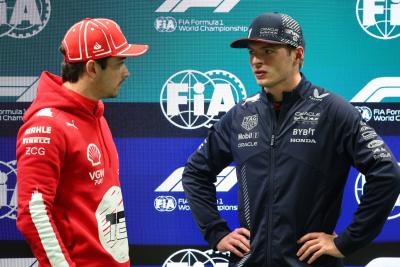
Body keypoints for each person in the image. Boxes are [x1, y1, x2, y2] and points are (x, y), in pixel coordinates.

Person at [182, 12, 400, 266]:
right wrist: (215, 232)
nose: (256, 61)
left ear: (297, 55)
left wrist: (347, 242)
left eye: (268, 51)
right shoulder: (240, 115)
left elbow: (386, 174)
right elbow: (196, 173)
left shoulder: (332, 111)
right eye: (252, 52)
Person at [16, 18, 148, 266]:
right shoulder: (47, 125)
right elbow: (33, 213)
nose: (126, 72)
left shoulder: (96, 115)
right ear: (92, 68)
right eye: (119, 63)